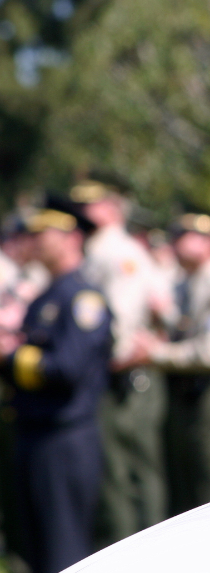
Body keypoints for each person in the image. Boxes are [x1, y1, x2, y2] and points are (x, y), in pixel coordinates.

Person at [116, 213, 210, 514]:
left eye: (186, 235)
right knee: (188, 495)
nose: (176, 242)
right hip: (189, 394)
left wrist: (156, 353)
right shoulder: (192, 280)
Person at [0, 204, 112, 573]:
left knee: (65, 553)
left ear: (71, 238)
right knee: (35, 551)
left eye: (42, 232)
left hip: (64, 440)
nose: (33, 240)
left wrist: (13, 356)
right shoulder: (44, 297)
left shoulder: (82, 299)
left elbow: (68, 368)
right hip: (34, 434)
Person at [69, 178, 174, 545]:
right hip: (115, 374)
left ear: (111, 209)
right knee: (118, 473)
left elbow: (121, 325)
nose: (82, 211)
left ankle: (143, 554)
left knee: (131, 472)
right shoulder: (97, 249)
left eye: (91, 204)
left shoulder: (118, 252)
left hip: (127, 377)